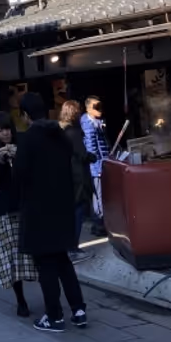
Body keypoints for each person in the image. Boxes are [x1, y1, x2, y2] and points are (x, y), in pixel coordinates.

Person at [15, 92, 86, 333]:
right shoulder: (60, 135)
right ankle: (78, 309)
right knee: (62, 260)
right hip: (63, 207)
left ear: (26, 115)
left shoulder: (28, 139)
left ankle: (54, 316)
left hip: (39, 210)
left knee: (45, 263)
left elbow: (19, 174)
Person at [0, 111, 36, 317]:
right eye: (0, 131)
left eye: (7, 129)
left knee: (33, 253)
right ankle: (21, 300)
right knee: (12, 256)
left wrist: (19, 157)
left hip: (26, 206)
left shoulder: (22, 143)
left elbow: (31, 173)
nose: (5, 134)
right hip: (6, 208)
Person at [60, 100, 95, 260]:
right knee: (78, 212)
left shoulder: (61, 130)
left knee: (70, 213)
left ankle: (69, 247)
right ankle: (73, 248)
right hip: (77, 177)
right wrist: (91, 156)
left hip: (66, 176)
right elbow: (82, 154)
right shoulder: (73, 133)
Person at [81, 96, 109, 235]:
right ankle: (99, 225)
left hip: (102, 163)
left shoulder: (97, 121)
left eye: (100, 106)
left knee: (100, 195)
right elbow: (91, 148)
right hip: (96, 166)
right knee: (98, 196)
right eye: (96, 107)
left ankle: (100, 223)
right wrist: (97, 167)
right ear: (88, 109)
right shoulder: (87, 123)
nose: (99, 109)